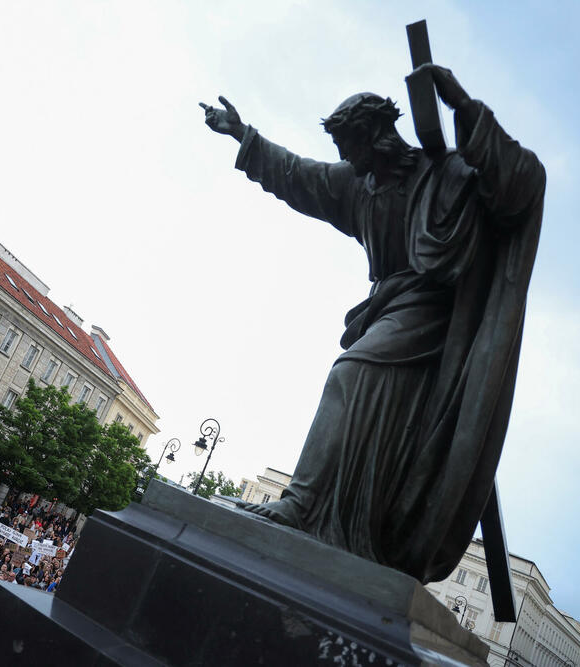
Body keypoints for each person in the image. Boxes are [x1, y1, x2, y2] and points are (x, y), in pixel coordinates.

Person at [200, 63, 544, 583]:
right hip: (388, 308)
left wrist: (463, 107)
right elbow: (300, 176)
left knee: (350, 372)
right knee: (378, 413)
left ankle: (299, 503)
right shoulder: (359, 183)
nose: (344, 159)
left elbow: (518, 182)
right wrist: (244, 136)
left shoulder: (445, 172)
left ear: (378, 136)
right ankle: (342, 520)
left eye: (350, 146)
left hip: (437, 312)